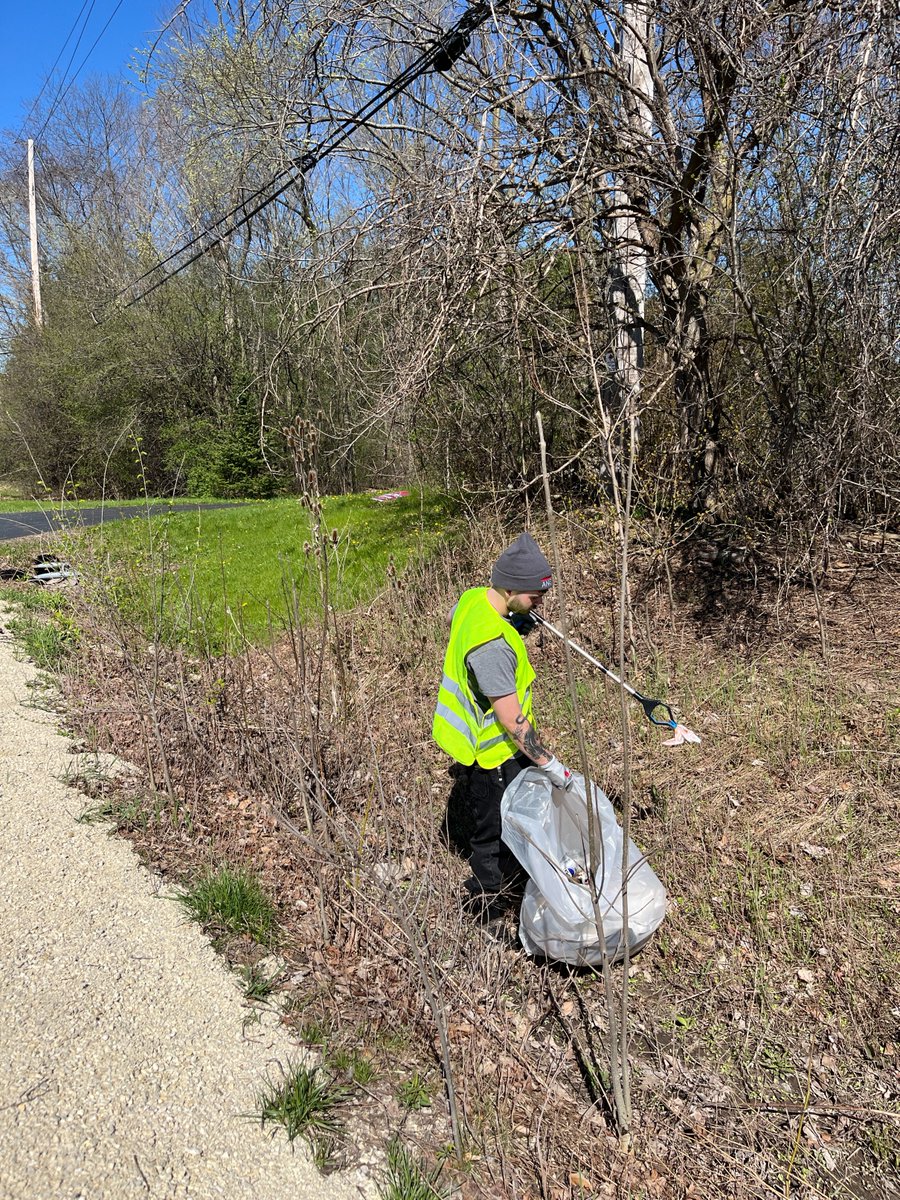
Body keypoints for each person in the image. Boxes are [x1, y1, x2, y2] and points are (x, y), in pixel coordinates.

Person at [432, 532, 574, 918]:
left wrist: (514, 618)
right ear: (510, 586)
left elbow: (454, 617)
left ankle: (516, 879)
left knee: (512, 819)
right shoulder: (492, 647)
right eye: (534, 596)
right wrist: (550, 764)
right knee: (490, 834)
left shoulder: (474, 599)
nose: (541, 603)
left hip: (490, 749)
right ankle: (484, 907)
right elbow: (511, 720)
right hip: (490, 753)